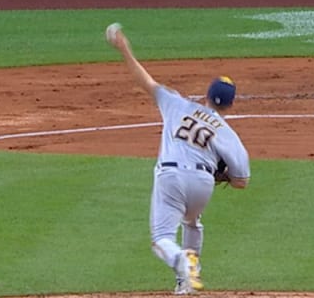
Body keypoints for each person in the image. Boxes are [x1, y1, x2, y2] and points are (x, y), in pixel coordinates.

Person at [105, 24, 249, 297]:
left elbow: (145, 81)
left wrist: (124, 48)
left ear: (206, 96)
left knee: (161, 239)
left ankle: (181, 260)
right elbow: (242, 181)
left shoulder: (175, 103)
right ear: (230, 105)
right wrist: (224, 176)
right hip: (203, 183)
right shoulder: (228, 134)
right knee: (192, 221)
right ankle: (186, 281)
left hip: (170, 177)